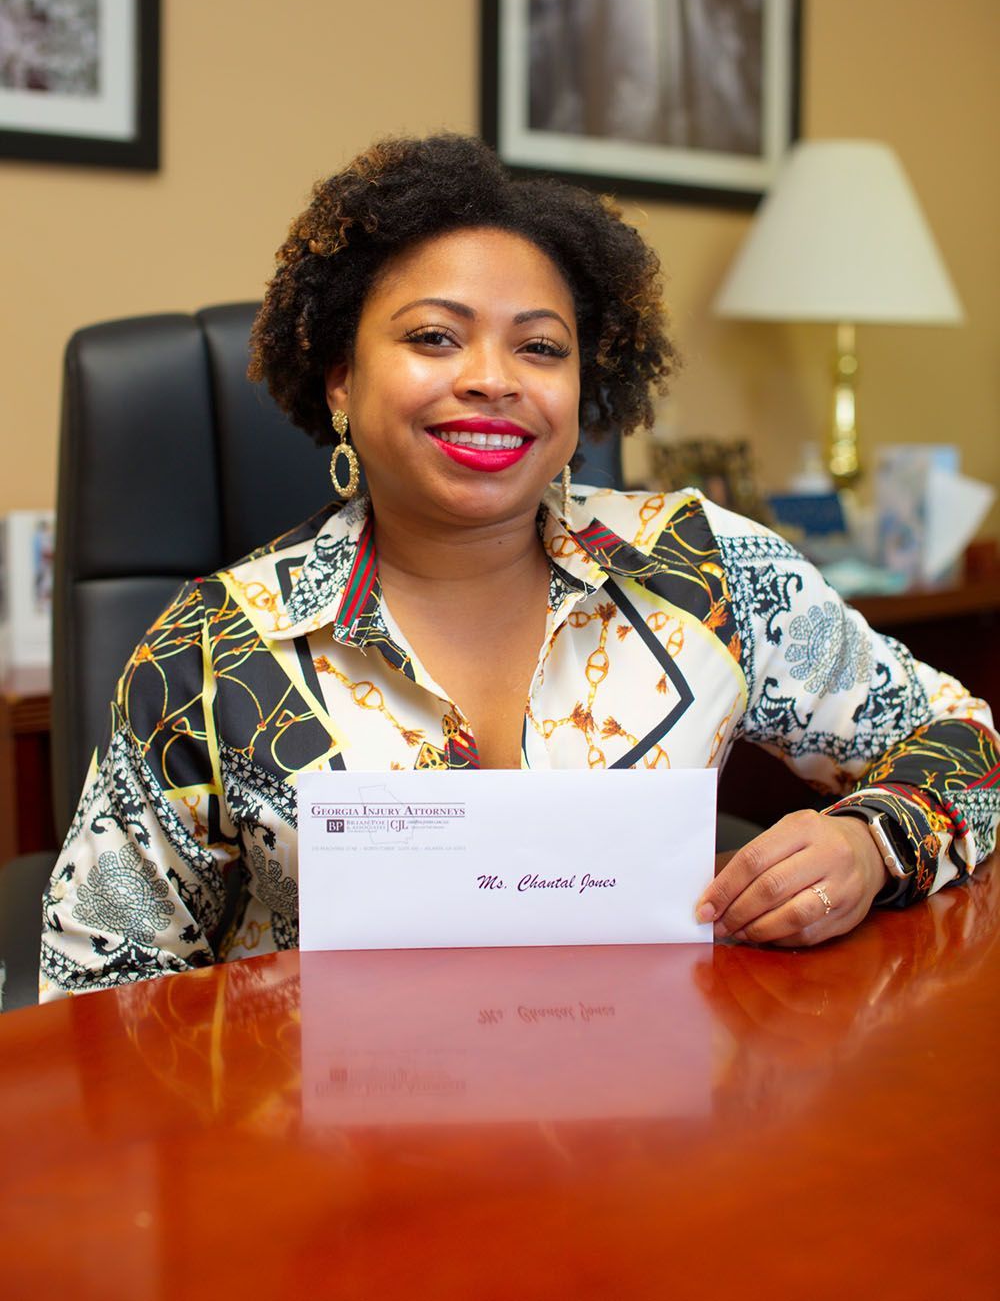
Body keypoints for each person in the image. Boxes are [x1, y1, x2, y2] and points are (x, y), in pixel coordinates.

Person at [40, 134, 999, 998]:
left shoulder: (702, 571)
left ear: (583, 392)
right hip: (321, 1159)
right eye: (432, 337)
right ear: (342, 378)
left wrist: (870, 842)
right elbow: (96, 981)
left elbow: (964, 740)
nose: (494, 378)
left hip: (650, 1132)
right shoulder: (211, 650)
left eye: (540, 346)